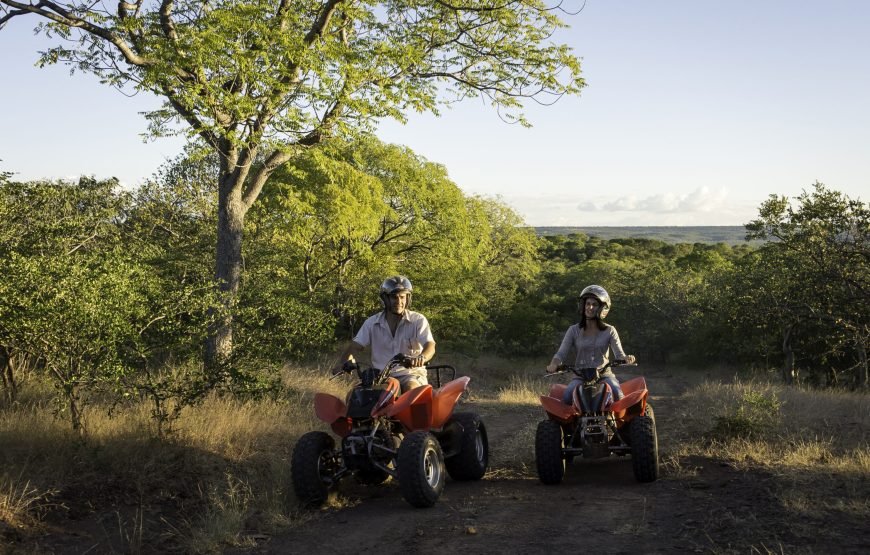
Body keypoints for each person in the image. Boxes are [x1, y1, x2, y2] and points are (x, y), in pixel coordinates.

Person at [332, 275, 436, 393]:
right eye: (394, 297)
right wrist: (342, 364)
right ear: (385, 299)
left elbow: (430, 345)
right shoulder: (371, 323)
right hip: (381, 377)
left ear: (408, 298)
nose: (399, 301)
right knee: (355, 395)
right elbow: (355, 346)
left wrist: (421, 357)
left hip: (411, 374)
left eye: (402, 297)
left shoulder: (418, 320)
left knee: (411, 390)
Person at [546, 284, 636, 404]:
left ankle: (622, 423)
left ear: (602, 308)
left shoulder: (610, 330)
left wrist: (626, 358)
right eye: (588, 304)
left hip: (604, 375)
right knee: (567, 397)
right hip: (580, 376)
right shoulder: (573, 330)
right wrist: (553, 364)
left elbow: (619, 354)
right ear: (583, 306)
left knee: (617, 393)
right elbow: (561, 353)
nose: (590, 307)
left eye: (595, 304)